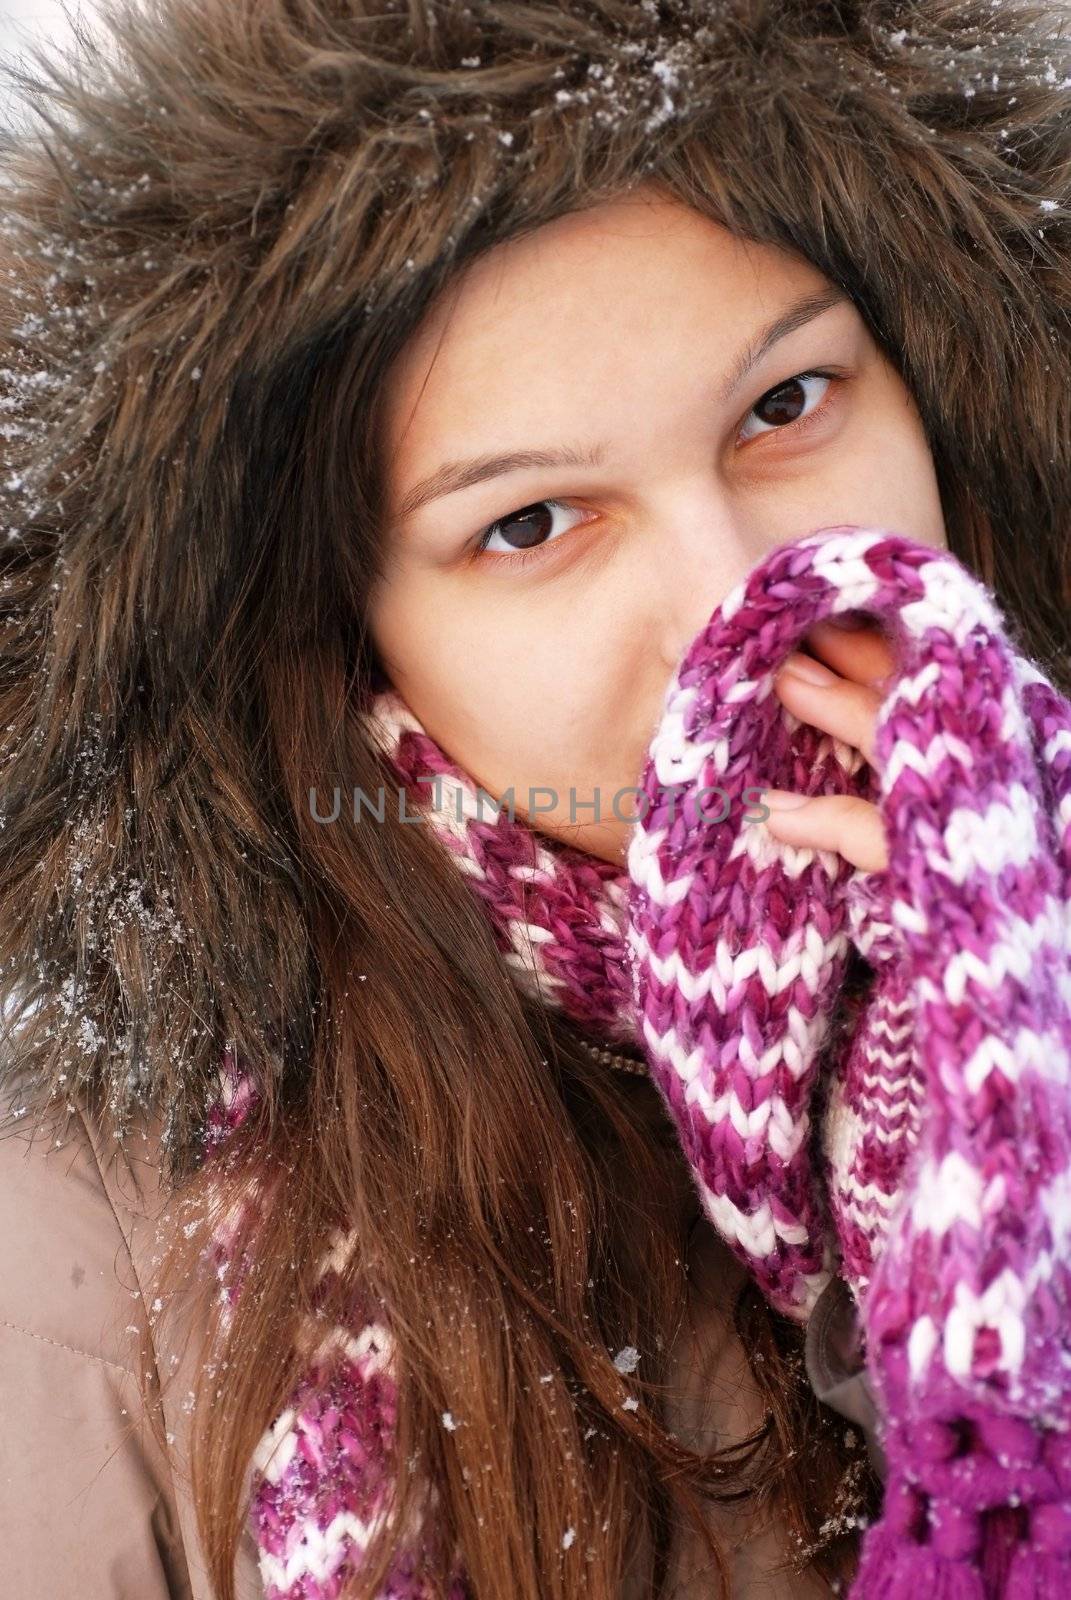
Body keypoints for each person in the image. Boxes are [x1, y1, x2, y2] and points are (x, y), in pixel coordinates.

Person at [0, 1, 1068, 1597]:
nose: (735, 601)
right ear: (337, 633)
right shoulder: (94, 1271)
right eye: (533, 521)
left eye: (786, 405)